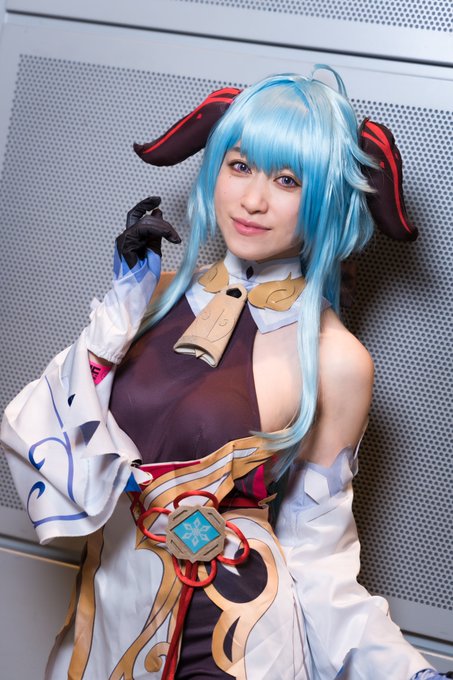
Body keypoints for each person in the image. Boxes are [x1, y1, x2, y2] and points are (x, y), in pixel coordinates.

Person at [1, 69, 448, 680]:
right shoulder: (145, 298)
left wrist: (405, 671)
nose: (253, 199)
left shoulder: (337, 359)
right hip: (104, 625)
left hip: (236, 642)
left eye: (288, 180)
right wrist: (115, 320)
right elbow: (45, 439)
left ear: (328, 199)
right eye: (240, 166)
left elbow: (318, 555)